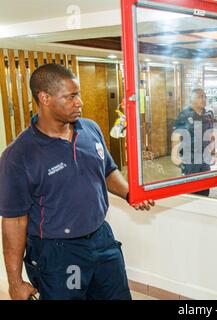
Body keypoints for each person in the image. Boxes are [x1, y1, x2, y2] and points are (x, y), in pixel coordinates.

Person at [0, 63, 155, 300]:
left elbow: (107, 171)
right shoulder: (19, 155)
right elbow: (14, 221)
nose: (79, 102)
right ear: (45, 98)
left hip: (101, 238)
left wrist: (129, 194)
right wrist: (14, 281)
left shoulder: (90, 129)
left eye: (78, 94)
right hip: (58, 253)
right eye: (71, 96)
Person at [171, 88, 215, 197]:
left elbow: (211, 134)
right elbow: (176, 136)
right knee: (191, 188)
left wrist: (212, 153)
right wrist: (175, 157)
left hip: (204, 157)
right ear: (192, 99)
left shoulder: (208, 114)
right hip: (189, 158)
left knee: (205, 186)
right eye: (200, 97)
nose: (204, 99)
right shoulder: (184, 115)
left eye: (205, 97)